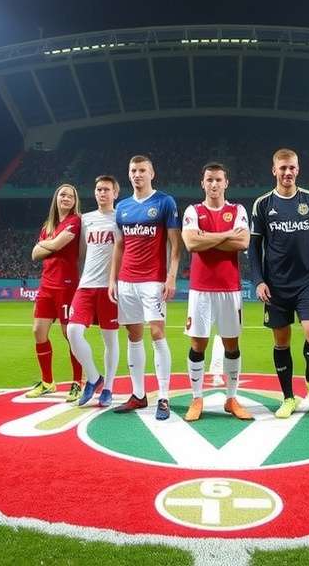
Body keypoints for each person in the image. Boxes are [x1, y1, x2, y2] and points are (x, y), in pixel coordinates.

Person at [248, 148, 309, 419]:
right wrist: (259, 280)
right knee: (282, 341)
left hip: (306, 283)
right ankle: (288, 397)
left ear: (298, 169)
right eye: (282, 168)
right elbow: (254, 246)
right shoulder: (262, 204)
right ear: (274, 170)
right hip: (275, 286)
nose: (287, 172)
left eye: (292, 168)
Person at [108, 155, 181, 420]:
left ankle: (163, 396)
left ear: (152, 173)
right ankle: (138, 395)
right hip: (126, 281)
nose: (137, 174)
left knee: (157, 333)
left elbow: (175, 244)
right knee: (133, 335)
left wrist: (171, 277)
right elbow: (119, 245)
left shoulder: (164, 202)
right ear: (129, 175)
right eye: (133, 170)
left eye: (142, 170)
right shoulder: (123, 207)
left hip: (153, 280)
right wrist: (112, 280)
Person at [181, 162, 253, 421]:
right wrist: (225, 236)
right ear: (203, 183)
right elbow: (190, 243)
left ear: (226, 183)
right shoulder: (193, 210)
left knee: (231, 345)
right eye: (209, 179)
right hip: (200, 289)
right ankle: (196, 398)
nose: (213, 184)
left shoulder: (238, 210)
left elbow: (243, 241)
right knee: (198, 345)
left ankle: (231, 399)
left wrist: (207, 238)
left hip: (229, 288)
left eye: (218, 180)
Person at [25, 183, 85, 399]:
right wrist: (50, 244)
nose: (66, 198)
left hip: (67, 285)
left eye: (70, 196)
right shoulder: (48, 225)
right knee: (38, 332)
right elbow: (34, 254)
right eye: (62, 195)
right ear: (56, 199)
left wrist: (46, 245)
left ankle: (78, 382)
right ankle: (48, 382)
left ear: (75, 201)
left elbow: (56, 245)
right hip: (46, 285)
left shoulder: (75, 221)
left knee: (69, 335)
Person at [67, 175, 121, 407]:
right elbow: (81, 253)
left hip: (110, 287)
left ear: (115, 193)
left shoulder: (122, 217)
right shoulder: (86, 219)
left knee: (110, 339)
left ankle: (108, 386)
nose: (102, 193)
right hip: (86, 286)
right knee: (73, 332)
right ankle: (94, 377)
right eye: (99, 189)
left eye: (107, 189)